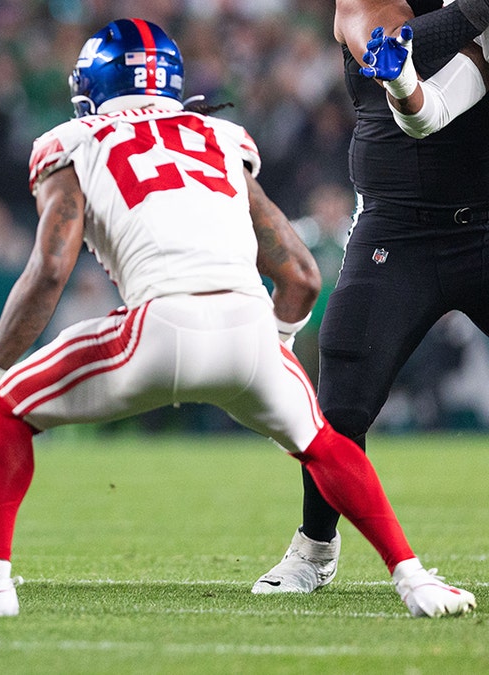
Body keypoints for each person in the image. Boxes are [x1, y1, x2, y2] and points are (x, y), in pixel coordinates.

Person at [0, 18, 476, 619]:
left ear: (93, 84)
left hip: (154, 328)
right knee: (323, 445)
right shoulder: (220, 135)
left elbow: (49, 270)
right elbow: (302, 276)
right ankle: (414, 580)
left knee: (8, 410)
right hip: (248, 325)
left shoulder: (74, 140)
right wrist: (272, 352)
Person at [253, 0, 489, 594]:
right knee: (341, 396)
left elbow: (434, 107)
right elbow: (385, 54)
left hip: (485, 227)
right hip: (395, 231)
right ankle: (314, 546)